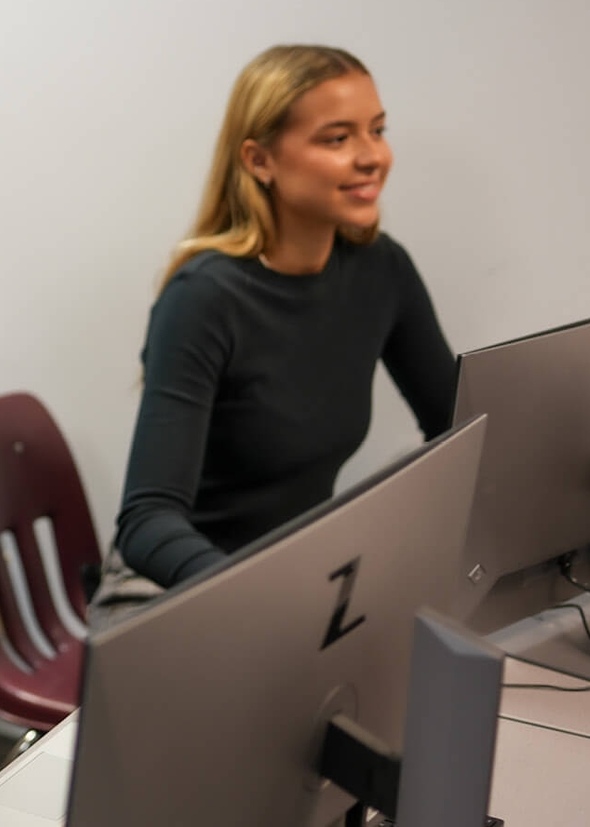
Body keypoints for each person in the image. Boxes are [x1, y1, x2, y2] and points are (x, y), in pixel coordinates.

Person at [95, 45, 456, 626]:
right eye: (337, 139)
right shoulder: (203, 298)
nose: (372, 157)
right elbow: (147, 522)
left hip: (298, 580)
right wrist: (262, 603)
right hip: (172, 592)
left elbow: (461, 424)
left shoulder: (380, 269)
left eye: (378, 130)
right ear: (260, 160)